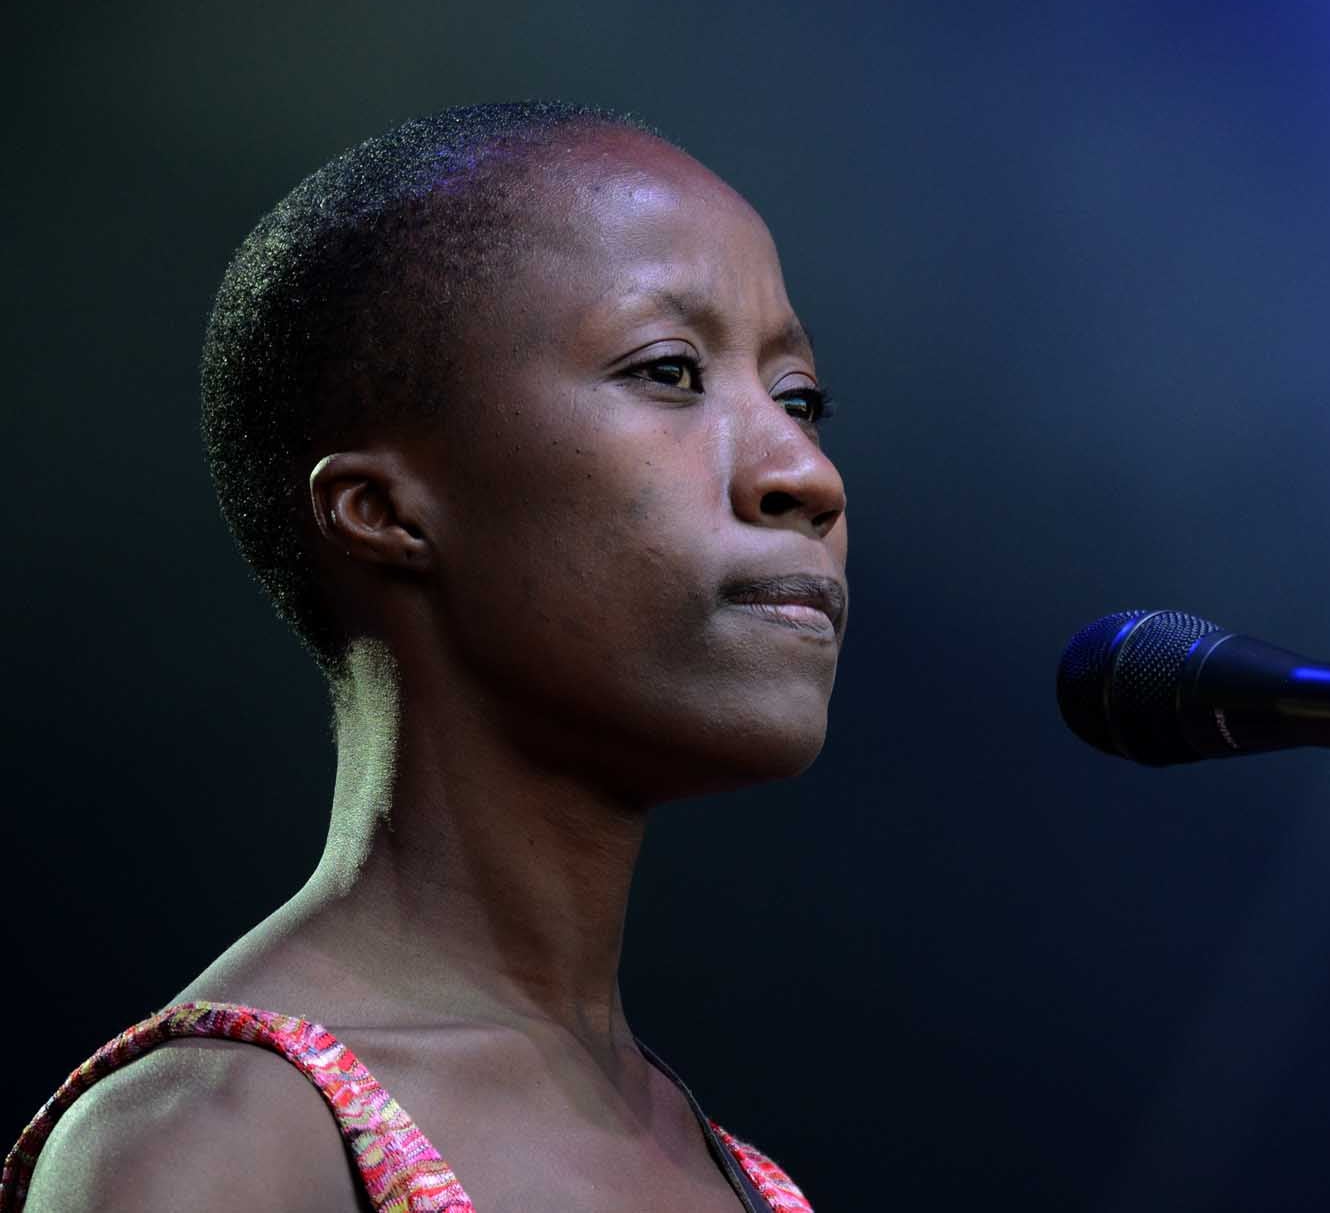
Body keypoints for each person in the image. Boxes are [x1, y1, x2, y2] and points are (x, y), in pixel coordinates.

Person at [0, 102, 845, 1211]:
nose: (805, 473)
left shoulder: (733, 1170)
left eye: (800, 399)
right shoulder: (223, 1142)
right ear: (383, 512)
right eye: (669, 372)